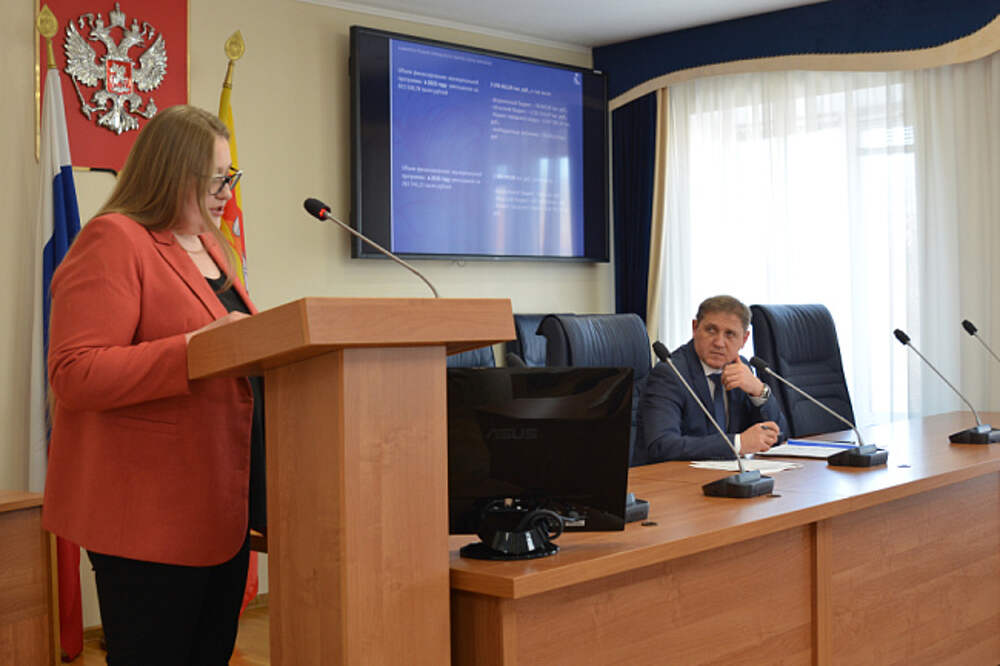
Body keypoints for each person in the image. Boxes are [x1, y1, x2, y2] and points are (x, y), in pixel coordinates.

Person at [42, 105, 265, 665]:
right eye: (216, 179)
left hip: (220, 503)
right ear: (172, 173)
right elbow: (75, 372)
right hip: (147, 514)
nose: (226, 192)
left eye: (230, 176)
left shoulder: (211, 246)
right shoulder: (114, 239)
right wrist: (194, 349)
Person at [633, 295, 788, 465]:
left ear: (744, 339)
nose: (719, 343)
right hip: (671, 477)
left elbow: (778, 435)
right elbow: (662, 445)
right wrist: (737, 443)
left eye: (730, 334)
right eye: (711, 330)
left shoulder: (741, 369)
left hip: (726, 475)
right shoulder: (670, 374)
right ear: (695, 328)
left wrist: (759, 392)